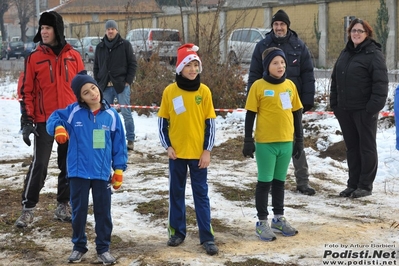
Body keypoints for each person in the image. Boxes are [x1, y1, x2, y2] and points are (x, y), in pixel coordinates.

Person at [46, 70, 128, 264]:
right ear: (80, 97)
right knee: (79, 211)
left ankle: (103, 248)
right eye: (86, 92)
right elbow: (53, 119)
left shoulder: (112, 115)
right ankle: (79, 246)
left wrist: (118, 170)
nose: (93, 93)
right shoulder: (73, 112)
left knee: (103, 212)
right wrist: (58, 128)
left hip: (101, 173)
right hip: (78, 172)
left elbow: (119, 144)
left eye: (93, 88)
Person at [16, 11, 85, 228]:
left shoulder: (73, 55)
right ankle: (28, 209)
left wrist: (88, 114)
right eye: (42, 28)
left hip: (71, 120)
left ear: (57, 30)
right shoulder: (34, 58)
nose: (43, 32)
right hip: (45, 120)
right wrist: (27, 121)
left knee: (68, 164)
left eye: (48, 28)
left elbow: (84, 88)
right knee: (41, 164)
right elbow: (26, 91)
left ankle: (63, 205)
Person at [157, 43, 218, 256]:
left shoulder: (204, 92)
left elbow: (210, 123)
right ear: (179, 68)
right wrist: (168, 147)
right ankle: (177, 232)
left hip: (198, 156)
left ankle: (207, 237)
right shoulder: (170, 91)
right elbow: (162, 122)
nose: (193, 69)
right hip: (177, 155)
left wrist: (207, 150)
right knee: (176, 193)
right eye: (188, 65)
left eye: (196, 65)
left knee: (201, 195)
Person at [247, 9, 316, 196]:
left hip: (292, 103)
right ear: (273, 26)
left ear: (287, 26)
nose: (279, 27)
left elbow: (308, 73)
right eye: (276, 24)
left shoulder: (299, 46)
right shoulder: (262, 45)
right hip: (267, 103)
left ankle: (303, 181)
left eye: (282, 24)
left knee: (296, 141)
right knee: (270, 142)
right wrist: (252, 96)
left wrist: (307, 99)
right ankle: (269, 182)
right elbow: (254, 73)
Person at [243, 47, 302, 241]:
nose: (280, 66)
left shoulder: (290, 86)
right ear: (267, 65)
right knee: (264, 182)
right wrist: (248, 140)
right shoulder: (258, 86)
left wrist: (299, 140)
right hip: (266, 143)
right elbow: (250, 114)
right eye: (275, 62)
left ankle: (278, 218)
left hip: (286, 142)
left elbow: (297, 114)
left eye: (283, 62)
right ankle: (261, 222)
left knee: (279, 183)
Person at [330, 18, 388, 198]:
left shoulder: (373, 54)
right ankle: (352, 184)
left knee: (366, 147)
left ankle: (365, 185)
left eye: (360, 31)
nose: (356, 34)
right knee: (352, 148)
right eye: (353, 30)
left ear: (367, 34)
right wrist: (335, 104)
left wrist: (371, 108)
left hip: (364, 110)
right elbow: (335, 79)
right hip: (345, 110)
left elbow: (381, 85)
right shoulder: (346, 52)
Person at [93, 20, 138, 151]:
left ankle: (130, 139)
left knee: (126, 113)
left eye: (113, 28)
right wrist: (98, 80)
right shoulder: (100, 47)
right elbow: (96, 66)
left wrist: (128, 81)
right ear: (105, 31)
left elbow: (133, 64)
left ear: (117, 30)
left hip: (121, 85)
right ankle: (105, 139)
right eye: (108, 29)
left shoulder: (125, 45)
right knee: (104, 114)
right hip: (105, 86)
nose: (110, 31)